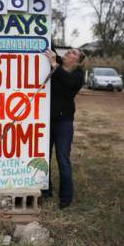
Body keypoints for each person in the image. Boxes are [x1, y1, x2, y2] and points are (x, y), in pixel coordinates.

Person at [43, 48, 85, 209]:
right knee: (44, 158)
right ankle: (46, 191)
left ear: (78, 62)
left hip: (63, 124)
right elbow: (47, 41)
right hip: (46, 121)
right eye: (69, 50)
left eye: (74, 53)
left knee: (63, 160)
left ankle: (65, 198)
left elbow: (68, 82)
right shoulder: (56, 64)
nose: (69, 52)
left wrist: (54, 64)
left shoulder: (77, 76)